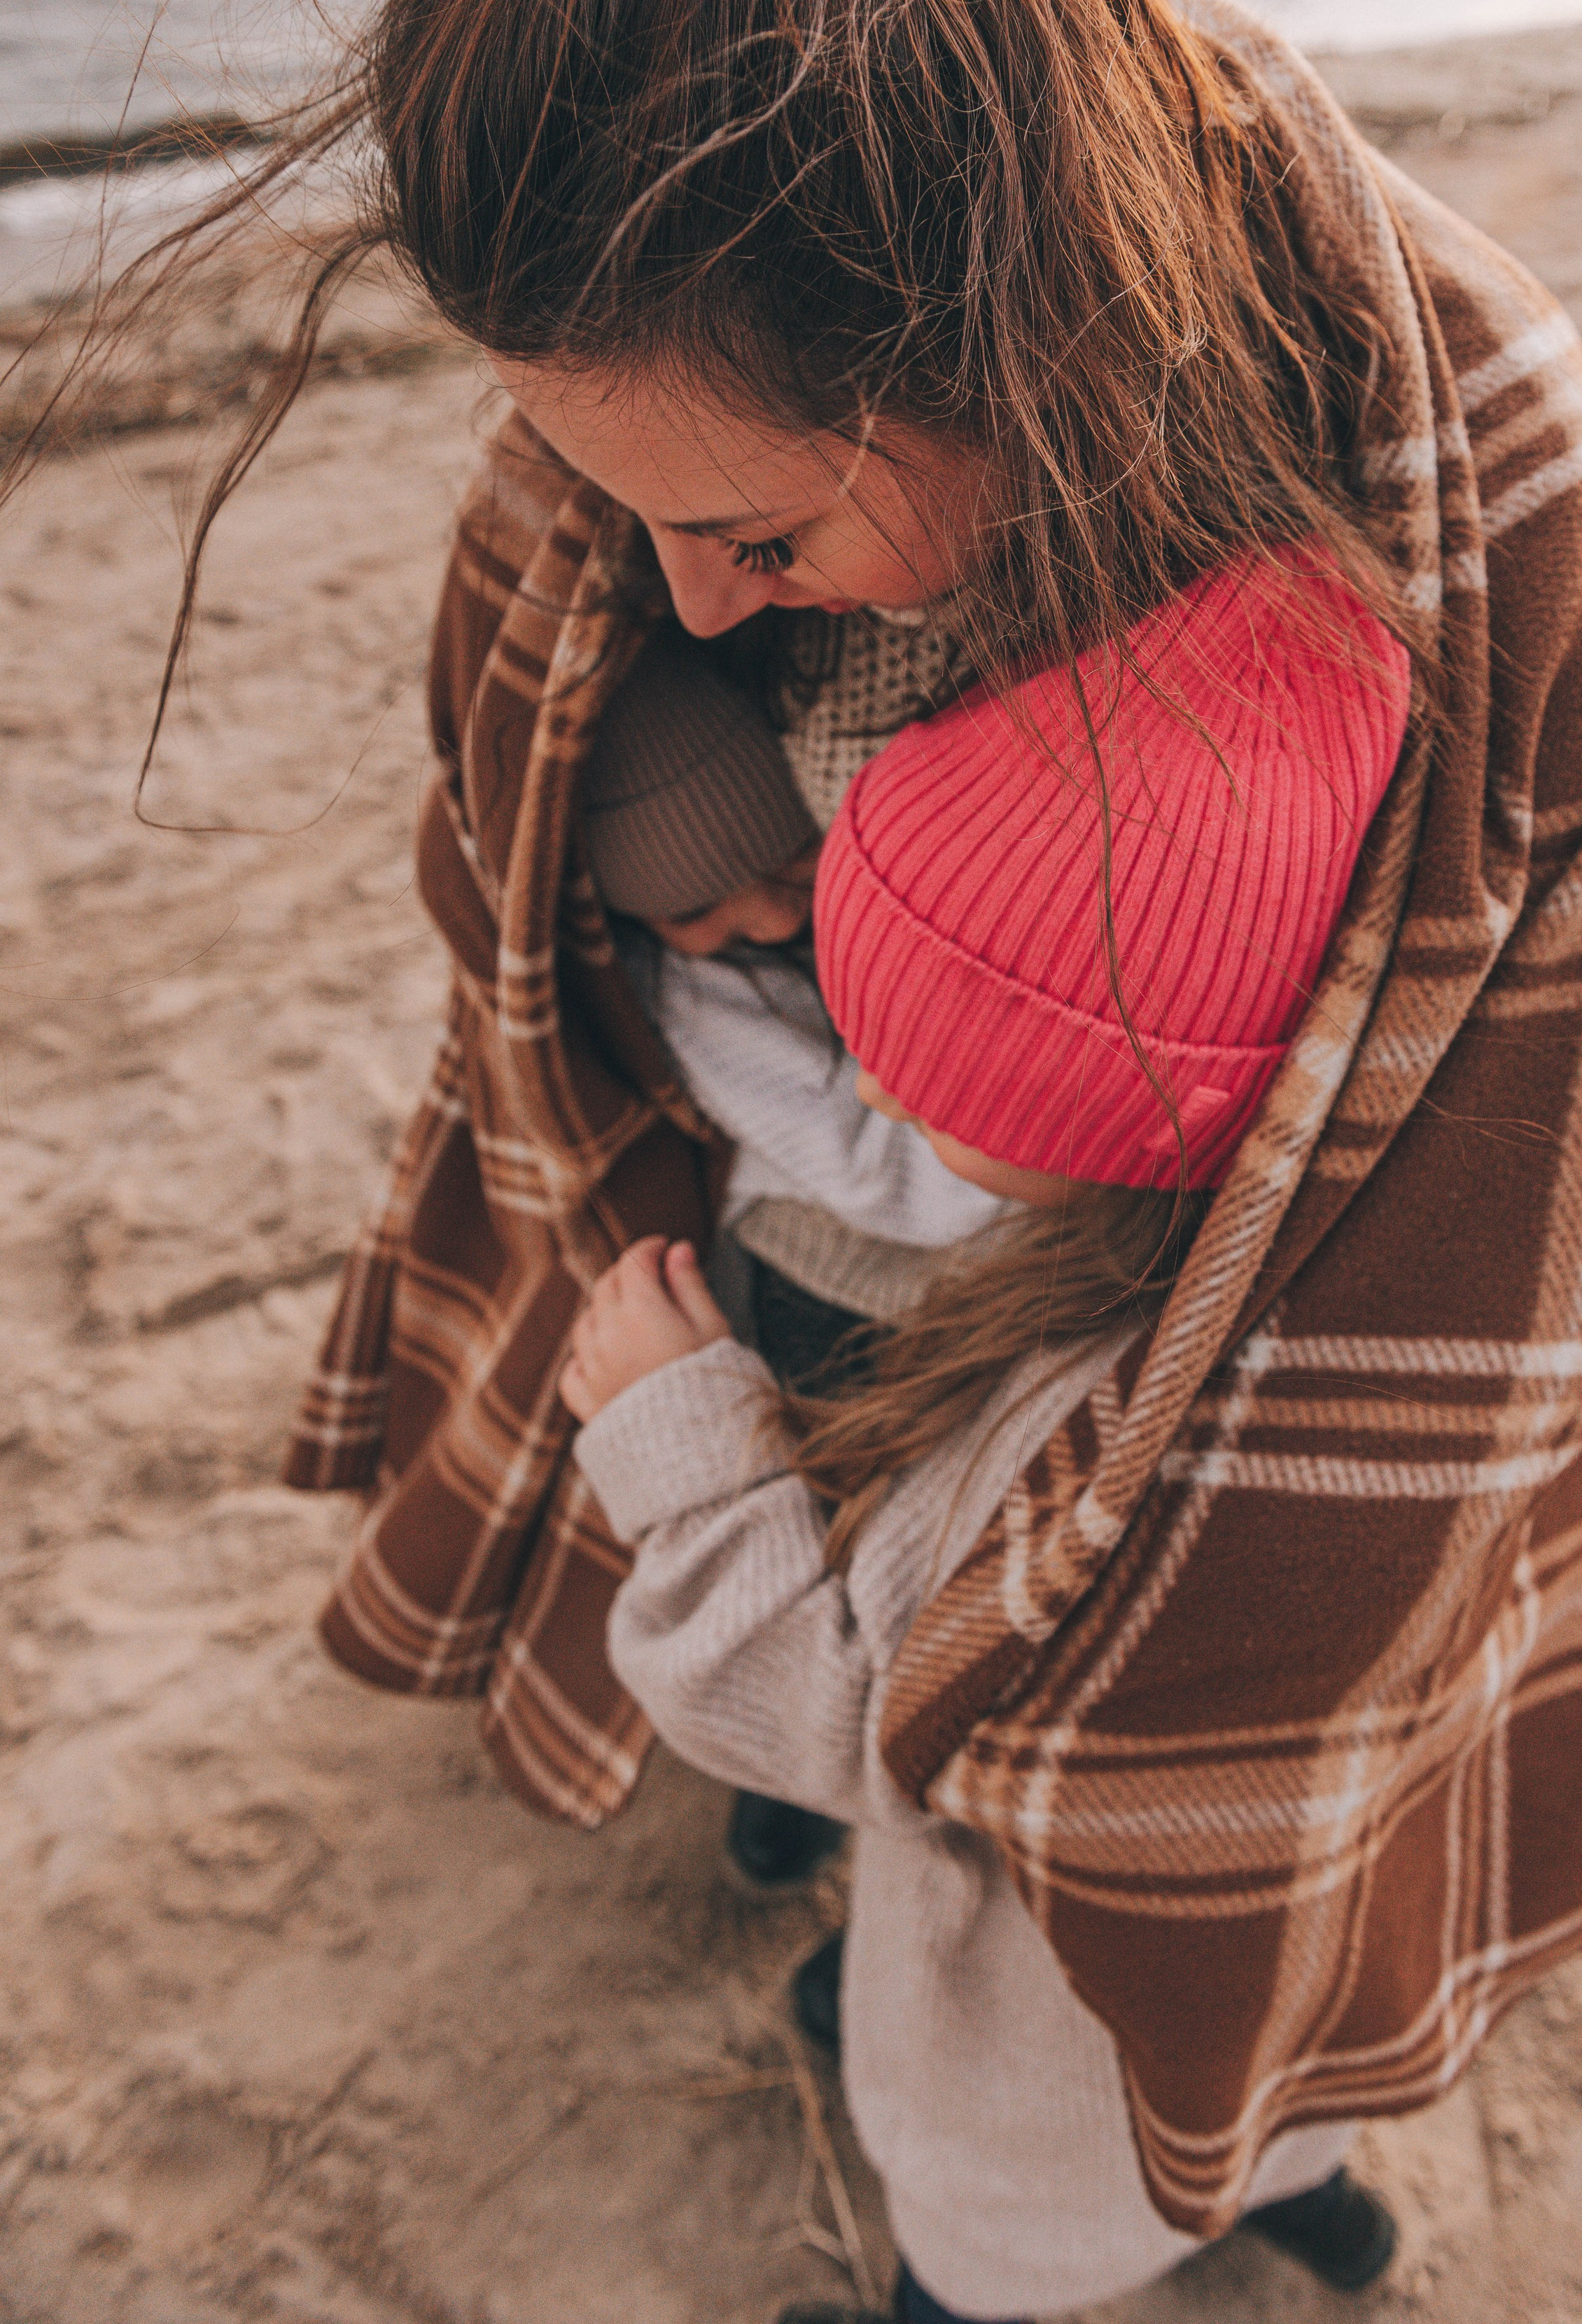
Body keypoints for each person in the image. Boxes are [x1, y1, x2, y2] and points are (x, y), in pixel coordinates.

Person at [64, 0, 1582, 2307]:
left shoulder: (1430, 505)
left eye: (757, 534)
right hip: (806, 1287)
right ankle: (836, 1844)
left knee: (1037, 1774)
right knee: (811, 1523)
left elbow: (1461, 1245)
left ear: (1027, 354)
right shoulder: (682, 341)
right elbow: (567, 725)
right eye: (621, 502)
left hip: (1073, 1344)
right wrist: (669, 801)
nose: (681, 589)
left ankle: (1134, 2125)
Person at [561, 561, 1412, 2319]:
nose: (873, 1085)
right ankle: (1321, 2211)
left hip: (1051, 2040)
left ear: (1102, 1096)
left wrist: (677, 1439)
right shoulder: (1335, 1293)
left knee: (996, 2229)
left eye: (932, 1060)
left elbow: (845, 1715)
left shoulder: (1046, 1422)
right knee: (1268, 2107)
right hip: (1288, 1974)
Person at [580, 617, 1002, 1884]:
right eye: (700, 908)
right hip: (822, 1270)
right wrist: (1030, 1147)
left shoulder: (868, 901)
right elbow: (879, 1176)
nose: (764, 915)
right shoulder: (694, 994)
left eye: (785, 864)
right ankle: (787, 1780)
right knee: (819, 1506)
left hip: (957, 1244)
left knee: (931, 1523)